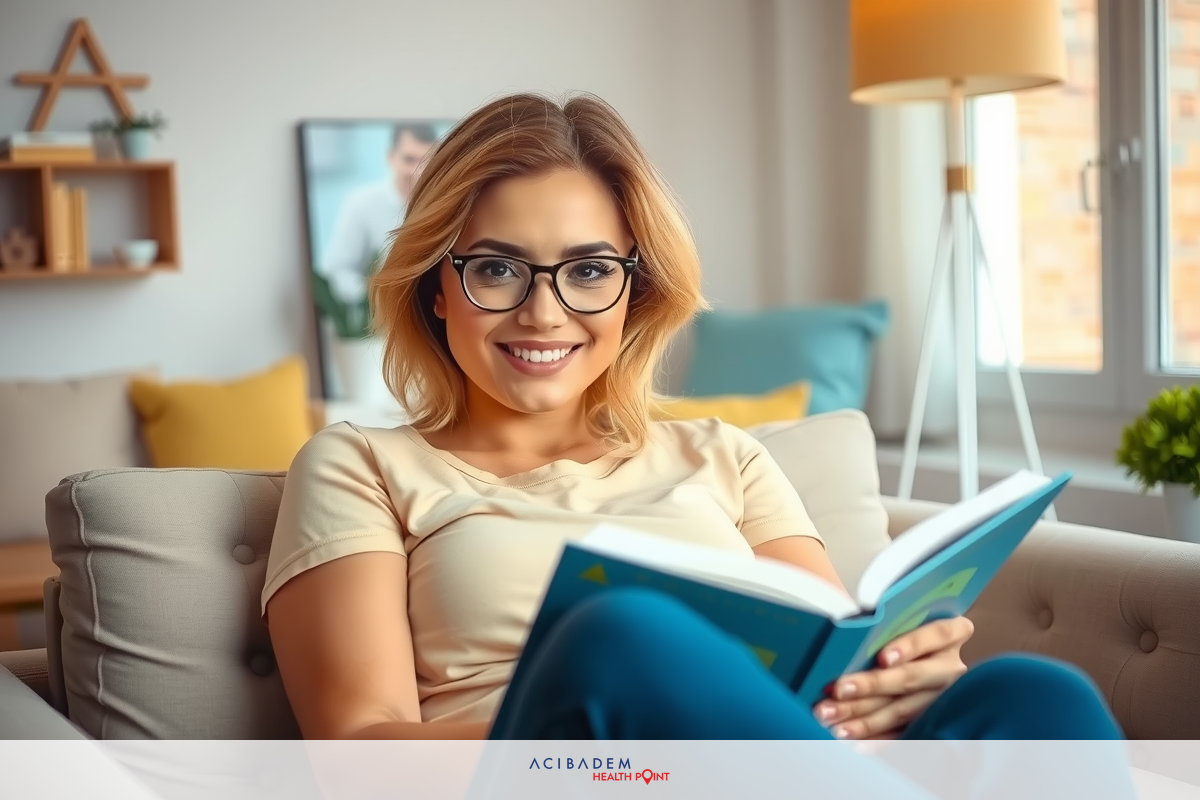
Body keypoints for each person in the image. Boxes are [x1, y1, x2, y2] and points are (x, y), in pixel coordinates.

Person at [263, 93, 1126, 755]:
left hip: (786, 765)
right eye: (496, 268)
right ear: (437, 286)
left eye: (589, 270)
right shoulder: (360, 464)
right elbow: (357, 752)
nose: (543, 312)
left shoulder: (723, 455)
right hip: (568, 769)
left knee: (1034, 695)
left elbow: (830, 660)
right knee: (620, 635)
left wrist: (902, 679)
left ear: (634, 289)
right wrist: (626, 714)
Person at [316, 122, 439, 305]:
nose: (417, 171)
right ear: (391, 157)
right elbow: (337, 271)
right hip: (376, 320)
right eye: (409, 159)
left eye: (425, 162)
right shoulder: (361, 204)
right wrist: (376, 296)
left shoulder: (443, 203)